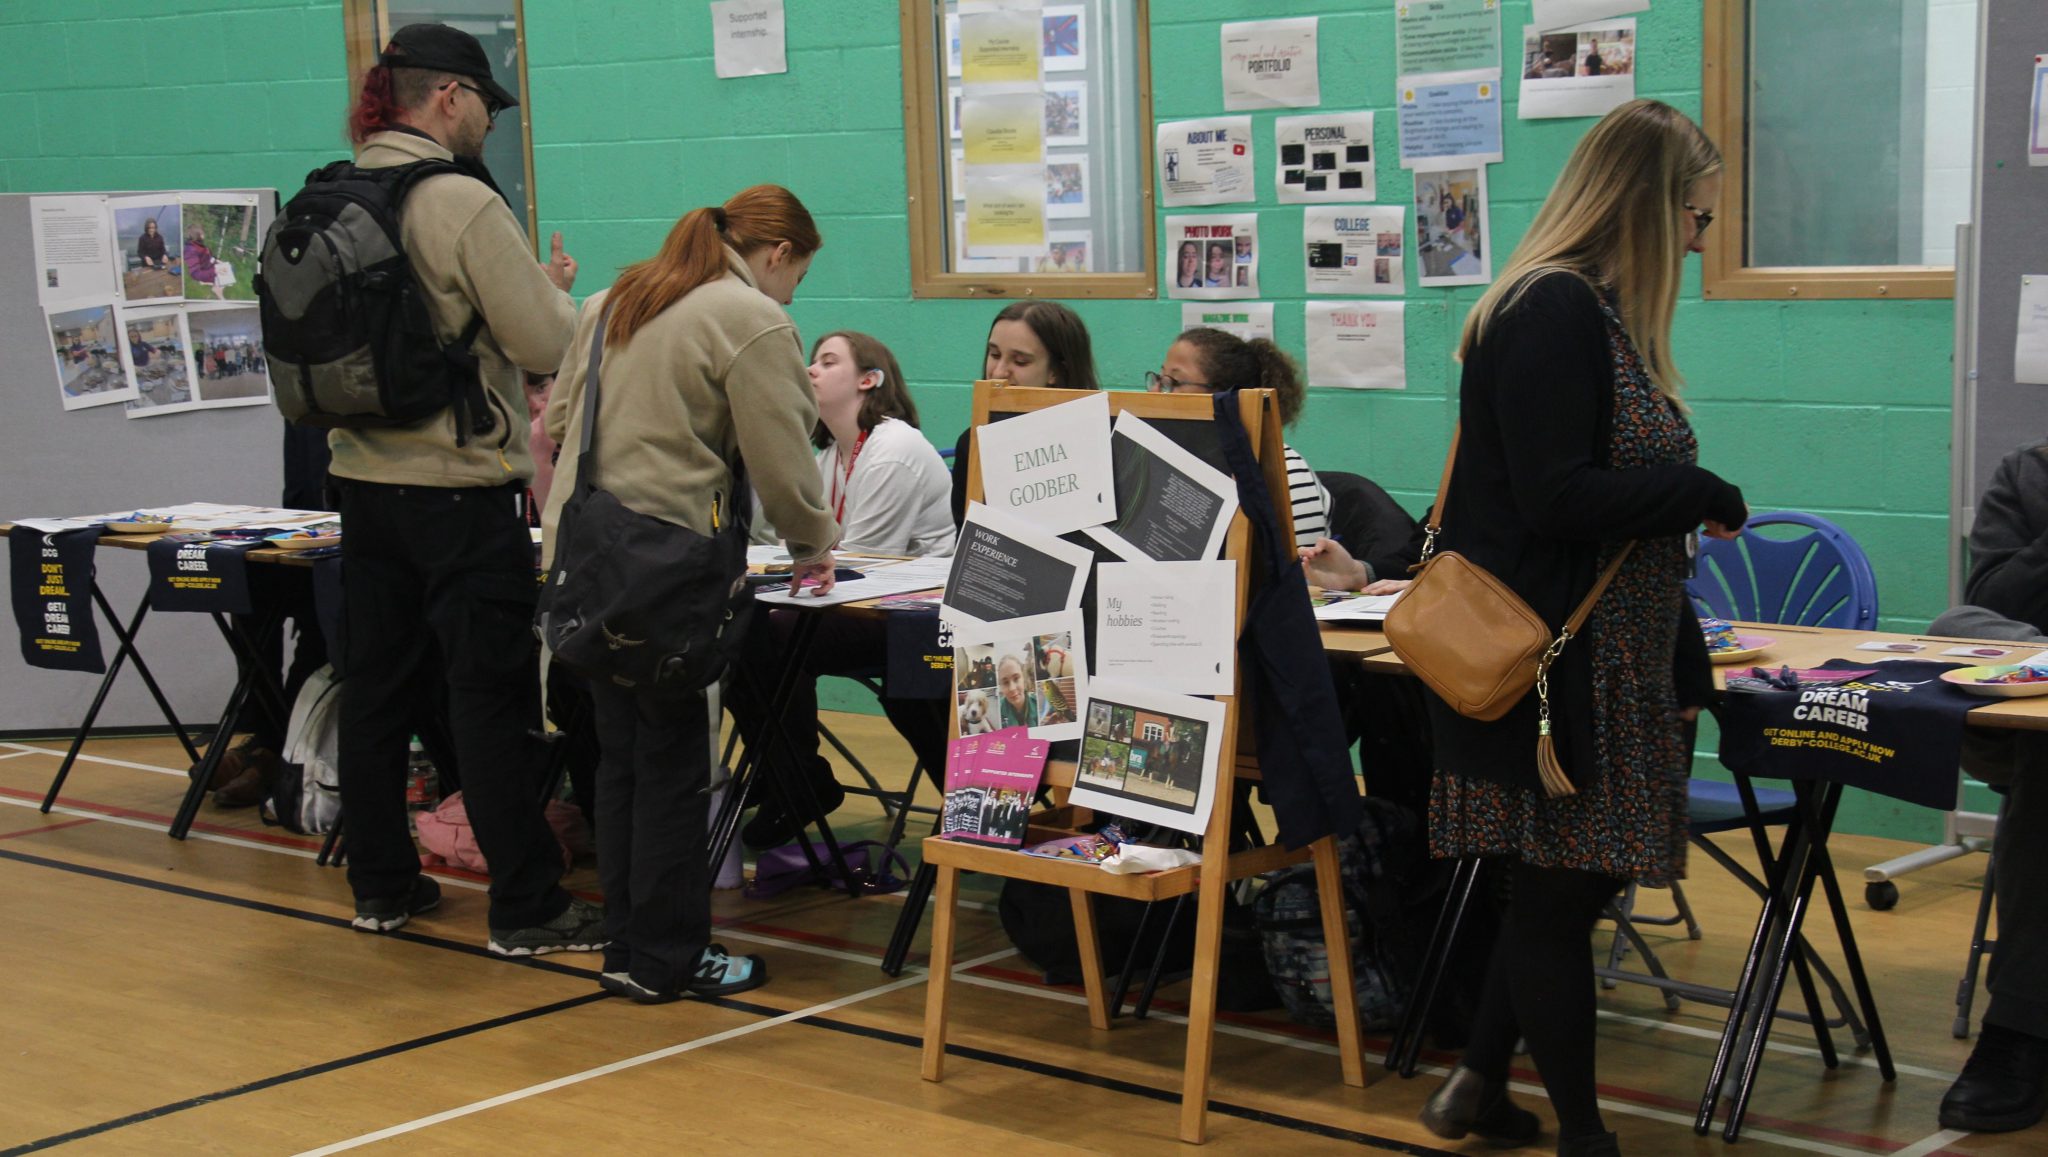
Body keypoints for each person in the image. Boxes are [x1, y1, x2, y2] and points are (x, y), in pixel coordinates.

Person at [1413, 100, 1747, 1157]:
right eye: (1694, 217)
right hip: (1564, 673)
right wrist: (1695, 485)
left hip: (1616, 659)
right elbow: (1558, 497)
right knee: (1556, 900)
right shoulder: (1549, 310)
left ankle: (1475, 1078)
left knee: (1571, 886)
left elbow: (1608, 526)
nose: (1697, 243)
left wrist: (1680, 655)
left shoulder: (1590, 314)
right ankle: (1584, 1137)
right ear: (1648, 206)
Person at [329, 23, 600, 955]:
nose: (489, 119)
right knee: (489, 700)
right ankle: (527, 906)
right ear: (447, 97)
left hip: (361, 482)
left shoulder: (336, 191)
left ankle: (382, 886)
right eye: (486, 102)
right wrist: (558, 296)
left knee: (375, 693)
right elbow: (547, 342)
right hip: (457, 485)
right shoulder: (457, 199)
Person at [543, 185, 838, 1002]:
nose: (789, 297)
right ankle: (668, 958)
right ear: (778, 254)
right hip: (671, 571)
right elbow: (782, 460)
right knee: (674, 768)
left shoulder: (616, 297)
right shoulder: (749, 318)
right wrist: (816, 544)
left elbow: (560, 420)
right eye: (797, 277)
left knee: (622, 763)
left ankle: (629, 946)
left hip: (592, 561)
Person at [730, 329, 955, 850]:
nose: (811, 370)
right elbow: (776, 535)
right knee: (739, 625)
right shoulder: (831, 454)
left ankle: (793, 775)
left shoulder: (893, 446)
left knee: (769, 632)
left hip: (919, 619)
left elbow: (860, 561)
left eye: (828, 361)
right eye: (812, 361)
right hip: (868, 612)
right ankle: (789, 771)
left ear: (868, 380)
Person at [1933, 438, 2048, 1134]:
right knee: (1953, 628)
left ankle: (2021, 1027)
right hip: (2028, 710)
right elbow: (1990, 604)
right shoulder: (2028, 471)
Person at [1145, 327, 1333, 551]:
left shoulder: (1284, 470)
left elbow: (1303, 574)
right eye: (1159, 378)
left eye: (1173, 382)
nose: (1155, 392)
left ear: (1225, 396)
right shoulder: (1168, 460)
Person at [949, 301, 1101, 524]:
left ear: (1056, 371)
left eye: (1020, 361)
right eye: (994, 354)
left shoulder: (1100, 443)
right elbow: (966, 537)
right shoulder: (971, 443)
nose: (999, 372)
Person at [996, 652, 1035, 729]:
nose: (1012, 688)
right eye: (1006, 682)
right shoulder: (997, 712)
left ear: (1024, 677)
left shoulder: (1040, 704)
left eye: (1016, 678)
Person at [186, 227, 225, 300]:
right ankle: (217, 290)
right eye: (202, 234)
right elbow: (195, 274)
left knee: (229, 267)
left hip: (210, 266)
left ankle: (209, 283)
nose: (204, 235)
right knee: (225, 275)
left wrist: (218, 261)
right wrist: (214, 271)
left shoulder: (200, 245)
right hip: (206, 271)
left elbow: (210, 257)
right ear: (198, 235)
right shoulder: (190, 250)